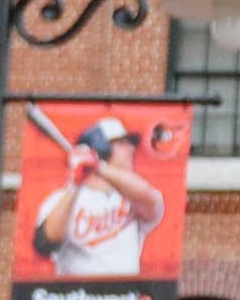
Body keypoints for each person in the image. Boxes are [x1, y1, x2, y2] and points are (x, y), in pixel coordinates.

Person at [32, 114, 164, 276]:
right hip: (77, 297)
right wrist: (75, 184)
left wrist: (98, 166)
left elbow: (151, 199)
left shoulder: (131, 197)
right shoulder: (61, 198)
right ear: (101, 149)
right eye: (122, 144)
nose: (131, 149)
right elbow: (47, 243)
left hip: (124, 297)